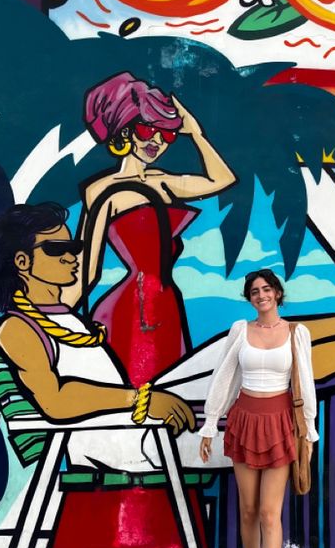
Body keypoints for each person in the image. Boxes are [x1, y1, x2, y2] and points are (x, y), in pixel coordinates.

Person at [0, 203, 198, 548]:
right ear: (22, 263)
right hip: (117, 442)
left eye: (74, 249)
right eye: (57, 249)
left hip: (135, 429)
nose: (71, 257)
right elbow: (54, 400)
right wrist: (142, 401)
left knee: (233, 383)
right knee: (242, 419)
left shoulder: (67, 318)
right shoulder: (19, 327)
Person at [75, 71, 235, 386]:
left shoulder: (163, 182)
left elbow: (222, 179)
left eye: (167, 135)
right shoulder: (101, 189)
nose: (157, 142)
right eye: (149, 130)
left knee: (168, 386)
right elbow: (86, 269)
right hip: (126, 309)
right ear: (125, 129)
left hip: (166, 305)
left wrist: (195, 133)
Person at [198, 268, 316, 548]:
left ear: (278, 293)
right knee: (248, 511)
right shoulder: (240, 330)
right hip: (245, 420)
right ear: (249, 298)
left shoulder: (297, 333)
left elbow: (306, 383)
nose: (261, 295)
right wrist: (209, 424)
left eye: (266, 289)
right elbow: (224, 377)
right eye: (254, 291)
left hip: (281, 423)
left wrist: (309, 433)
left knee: (269, 513)